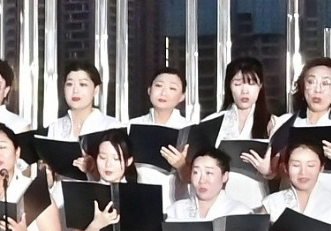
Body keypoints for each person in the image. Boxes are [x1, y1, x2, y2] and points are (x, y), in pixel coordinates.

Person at [192, 55, 275, 207]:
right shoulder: (212, 122)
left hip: (255, 198)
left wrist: (268, 171)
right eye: (237, 84)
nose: (244, 90)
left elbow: (280, 171)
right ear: (229, 86)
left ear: (260, 86)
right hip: (218, 200)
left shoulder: (273, 123)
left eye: (252, 84)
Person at [268, 57, 331, 190]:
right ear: (303, 87)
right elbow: (275, 172)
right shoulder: (283, 122)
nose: (318, 89)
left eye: (325, 83)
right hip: (291, 196)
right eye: (311, 82)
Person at [130, 65, 197, 199]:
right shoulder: (131, 126)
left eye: (172, 88)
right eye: (159, 86)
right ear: (149, 90)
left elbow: (196, 179)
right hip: (142, 200)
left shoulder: (190, 129)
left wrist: (181, 165)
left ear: (182, 96)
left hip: (177, 203)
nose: (163, 92)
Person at [47, 61, 120, 143]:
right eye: (69, 84)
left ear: (96, 89)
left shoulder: (111, 127)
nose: (75, 90)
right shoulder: (55, 127)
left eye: (82, 84)